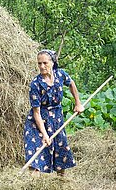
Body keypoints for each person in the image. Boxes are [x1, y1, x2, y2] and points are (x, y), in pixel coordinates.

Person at [23, 49, 84, 177]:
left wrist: (78, 103)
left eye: (45, 63)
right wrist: (44, 134)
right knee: (35, 156)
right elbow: (36, 113)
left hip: (56, 119)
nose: (42, 66)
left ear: (53, 62)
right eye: (39, 63)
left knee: (60, 152)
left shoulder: (60, 75)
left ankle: (61, 184)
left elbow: (71, 84)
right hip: (37, 123)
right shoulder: (35, 84)